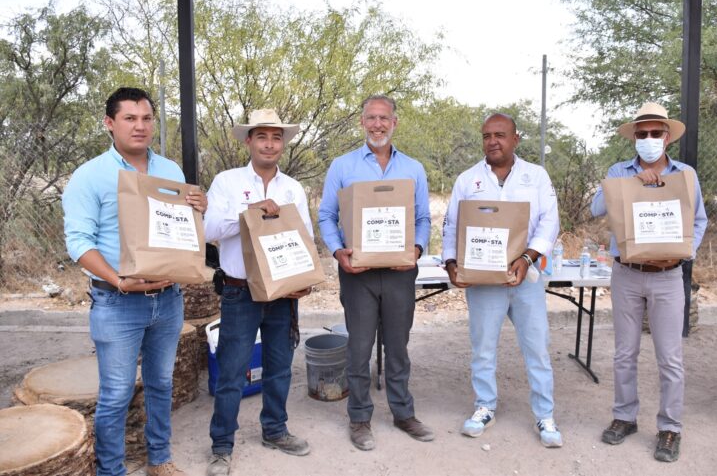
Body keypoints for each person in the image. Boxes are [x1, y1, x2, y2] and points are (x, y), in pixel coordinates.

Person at [62, 87, 207, 476]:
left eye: (146, 118)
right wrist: (118, 280)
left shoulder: (170, 172)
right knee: (116, 394)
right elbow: (78, 243)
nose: (139, 126)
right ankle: (113, 471)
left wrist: (199, 209)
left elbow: (184, 230)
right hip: (116, 301)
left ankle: (159, 459)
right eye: (130, 118)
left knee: (161, 385)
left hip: (168, 298)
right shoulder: (89, 176)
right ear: (110, 124)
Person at [591, 102, 708, 463]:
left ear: (667, 137)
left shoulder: (684, 174)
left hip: (668, 276)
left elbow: (699, 221)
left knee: (670, 357)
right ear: (634, 139)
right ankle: (625, 417)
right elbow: (597, 208)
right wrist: (630, 183)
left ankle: (670, 428)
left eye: (655, 133)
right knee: (625, 353)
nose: (648, 139)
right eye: (642, 134)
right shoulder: (618, 170)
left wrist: (683, 254)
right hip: (627, 274)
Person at [318, 94, 433, 450]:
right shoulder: (342, 166)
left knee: (398, 347)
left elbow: (424, 218)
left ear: (394, 123)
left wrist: (415, 250)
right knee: (359, 347)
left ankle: (403, 413)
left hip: (400, 273)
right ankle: (360, 419)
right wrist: (339, 252)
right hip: (358, 273)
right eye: (371, 118)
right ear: (362, 122)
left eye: (384, 118)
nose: (377, 124)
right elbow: (326, 215)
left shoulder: (413, 168)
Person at [442, 113, 563, 447]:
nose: (493, 141)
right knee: (482, 349)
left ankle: (544, 414)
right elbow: (452, 224)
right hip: (483, 282)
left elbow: (549, 222)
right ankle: (484, 407)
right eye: (486, 136)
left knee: (536, 349)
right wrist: (452, 262)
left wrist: (527, 258)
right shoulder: (468, 180)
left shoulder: (535, 176)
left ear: (515, 139)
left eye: (500, 135)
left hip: (526, 278)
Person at [204, 110, 313, 476]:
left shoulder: (292, 188)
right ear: (248, 141)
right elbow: (209, 230)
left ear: (283, 143)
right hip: (239, 291)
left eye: (276, 137)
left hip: (283, 292)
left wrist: (306, 276)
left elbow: (305, 237)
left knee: (280, 367)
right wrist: (250, 211)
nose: (269, 144)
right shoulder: (227, 182)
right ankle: (222, 444)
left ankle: (275, 429)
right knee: (233, 371)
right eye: (262, 136)